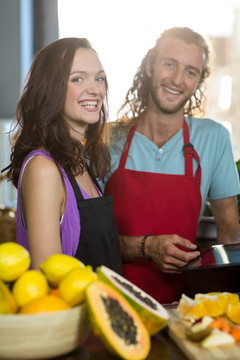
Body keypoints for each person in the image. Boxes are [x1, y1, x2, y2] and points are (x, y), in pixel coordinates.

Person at [103, 27, 240, 304]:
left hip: (180, 305)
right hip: (109, 298)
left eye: (191, 72)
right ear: (150, 65)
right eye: (170, 64)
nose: (177, 80)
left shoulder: (213, 138)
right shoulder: (107, 139)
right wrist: (147, 247)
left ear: (199, 81)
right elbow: (87, 237)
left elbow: (229, 232)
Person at [2, 37, 122, 273]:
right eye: (77, 79)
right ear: (50, 89)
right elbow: (47, 278)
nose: (95, 89)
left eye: (99, 78)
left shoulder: (79, 161)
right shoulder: (43, 169)